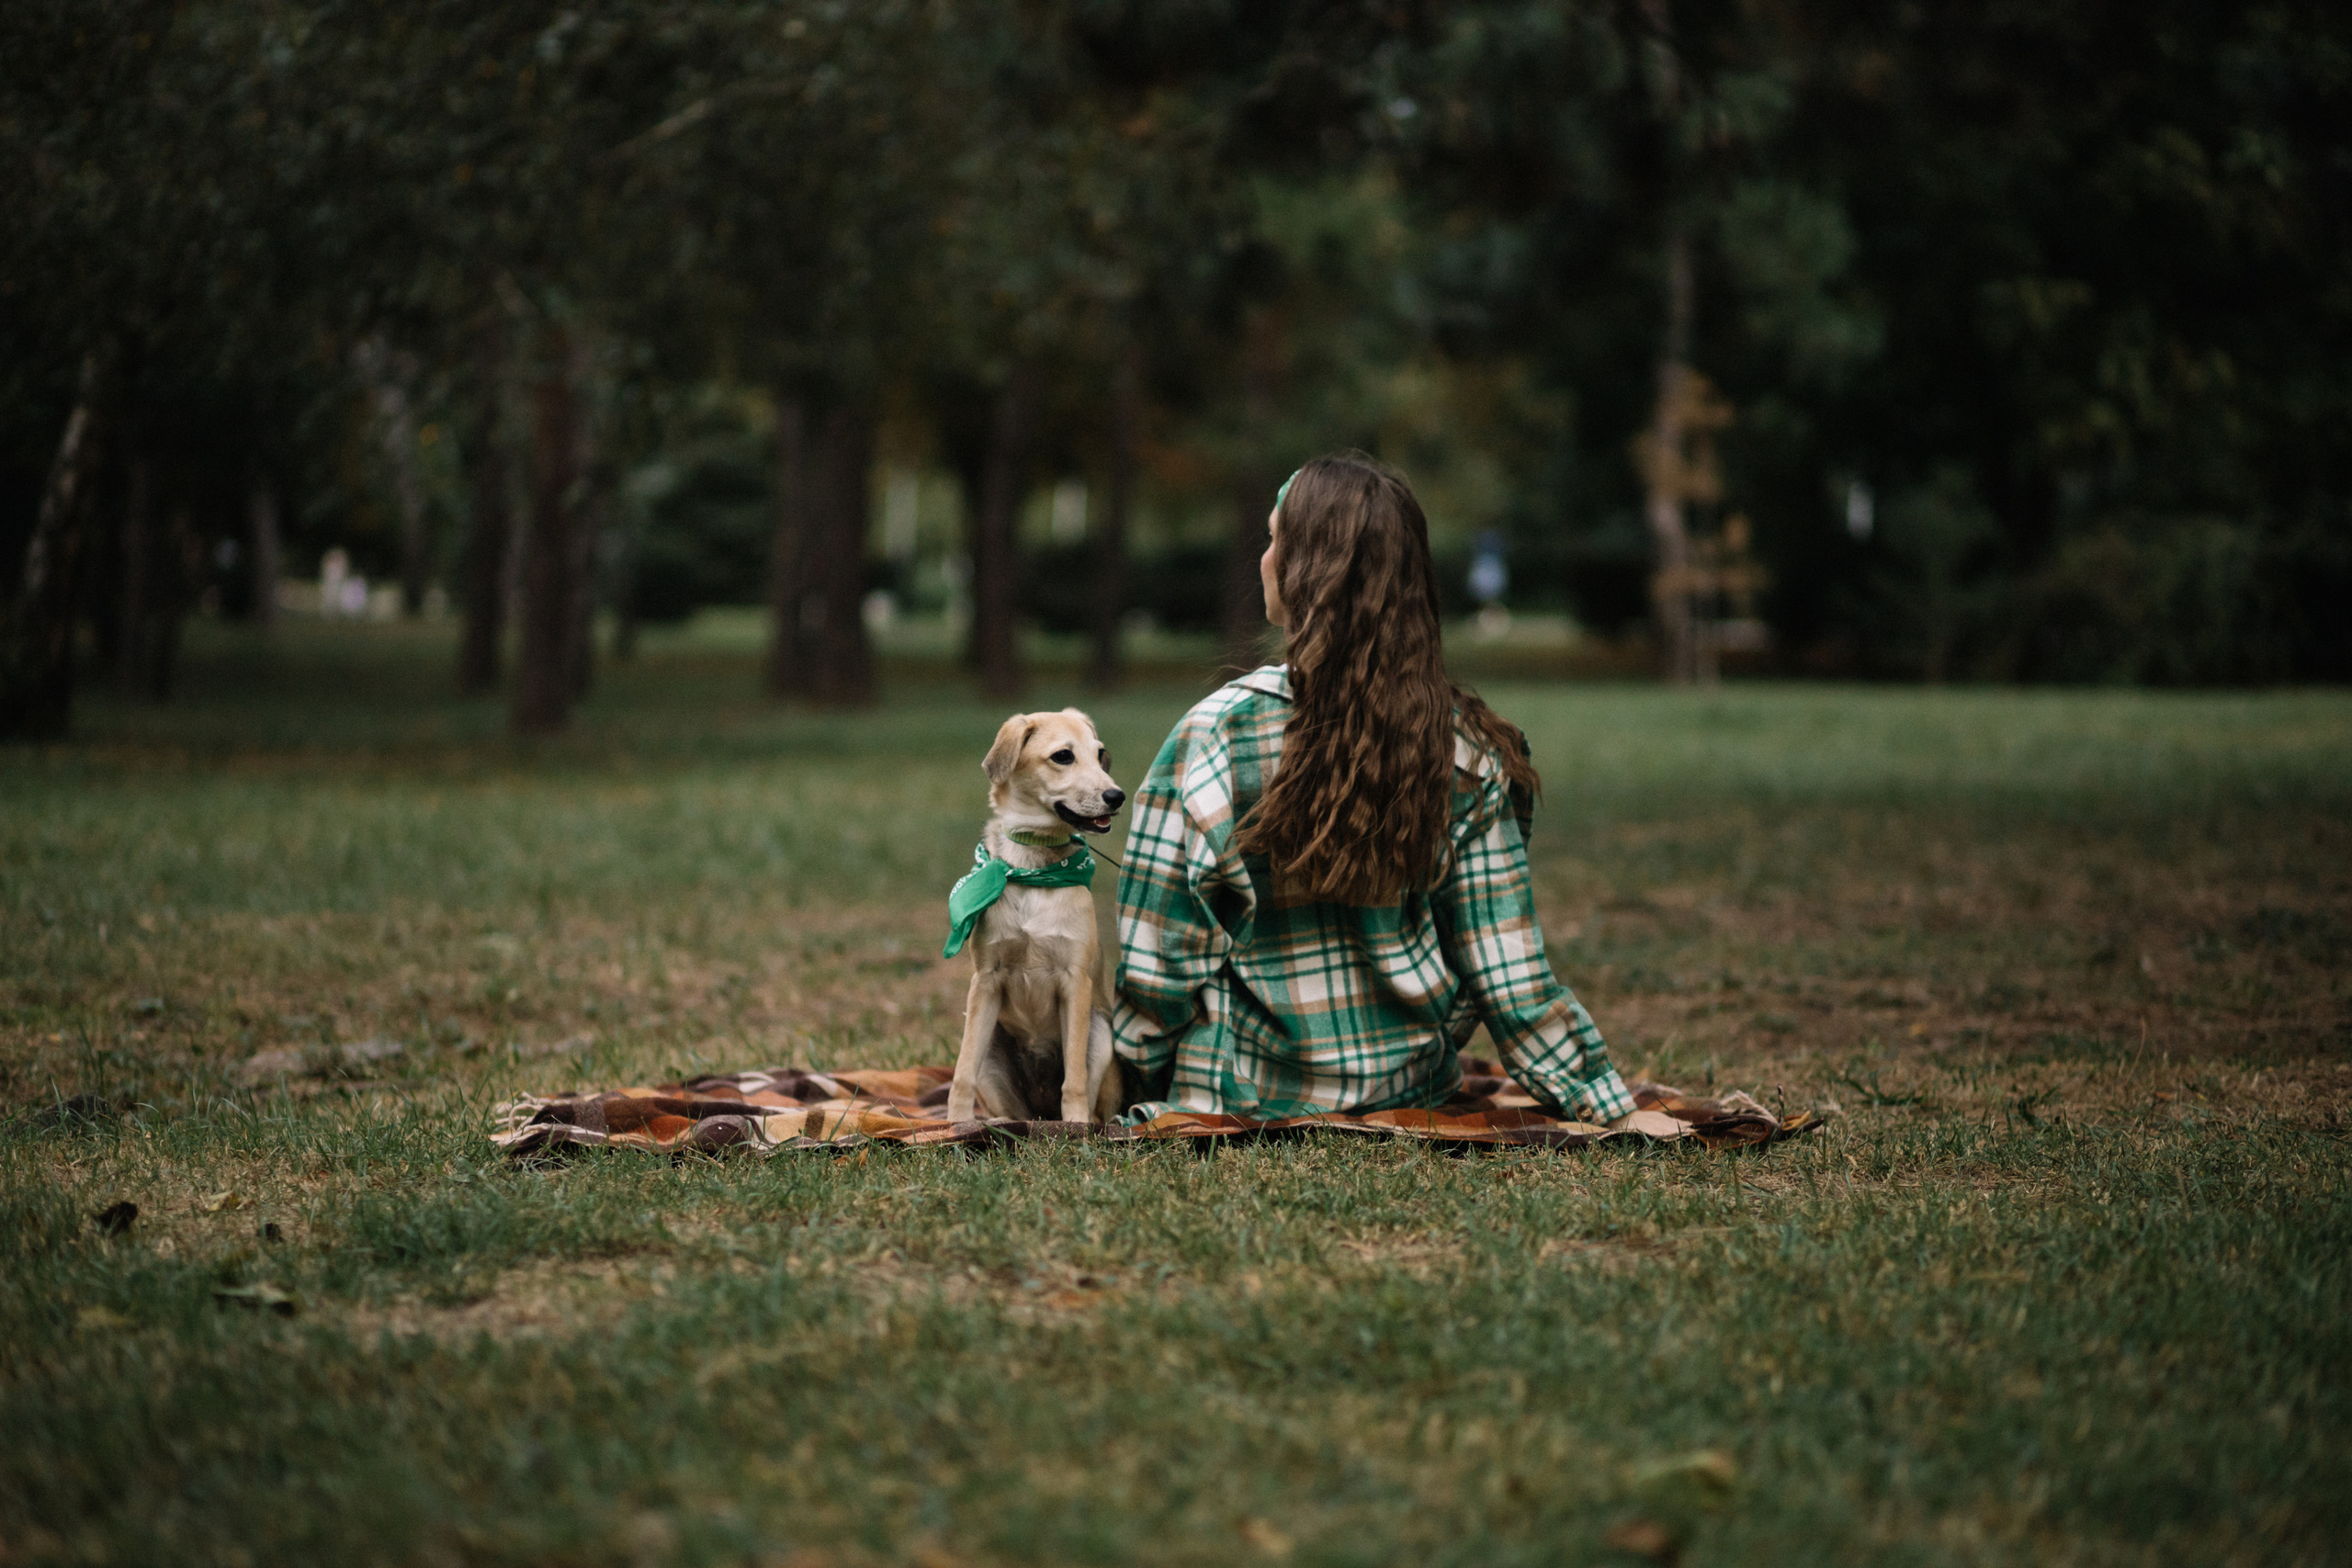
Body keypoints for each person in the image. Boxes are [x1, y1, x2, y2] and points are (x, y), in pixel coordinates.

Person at [1111, 453, 1666, 1133]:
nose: (1263, 559)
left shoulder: (1215, 736)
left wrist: (1135, 1073)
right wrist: (1604, 1102)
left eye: (1273, 540)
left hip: (1242, 1093)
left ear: (1307, 569)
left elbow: (1159, 955)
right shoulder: (1466, 749)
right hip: (1410, 1090)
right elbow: (1508, 973)